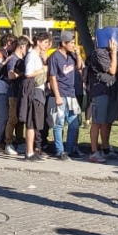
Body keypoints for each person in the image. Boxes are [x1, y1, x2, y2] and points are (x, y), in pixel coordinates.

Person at [47, 31, 81, 160]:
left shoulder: (71, 55)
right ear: (63, 43)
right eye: (71, 43)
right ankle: (59, 150)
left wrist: (77, 54)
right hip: (60, 93)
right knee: (59, 122)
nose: (73, 45)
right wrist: (57, 96)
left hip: (71, 93)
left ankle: (69, 149)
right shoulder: (55, 57)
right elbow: (52, 77)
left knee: (74, 123)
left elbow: (78, 67)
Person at [20, 32, 51, 161]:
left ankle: (32, 151)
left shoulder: (37, 55)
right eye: (45, 42)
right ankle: (29, 152)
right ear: (38, 42)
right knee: (31, 123)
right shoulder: (32, 55)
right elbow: (28, 73)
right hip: (33, 91)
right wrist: (43, 70)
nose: (47, 45)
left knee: (35, 123)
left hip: (39, 90)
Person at [87, 37, 118, 163]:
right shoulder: (100, 52)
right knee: (97, 122)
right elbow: (112, 70)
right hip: (99, 91)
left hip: (109, 89)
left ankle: (105, 148)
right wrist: (114, 53)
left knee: (106, 121)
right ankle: (94, 151)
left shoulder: (108, 52)